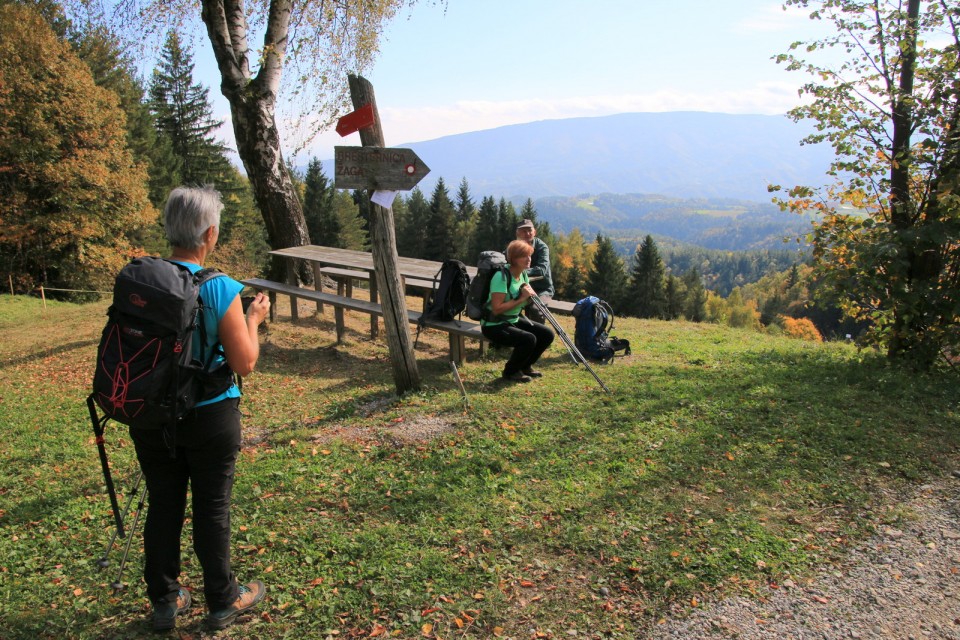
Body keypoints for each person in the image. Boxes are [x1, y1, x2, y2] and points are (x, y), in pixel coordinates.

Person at [129, 186, 270, 631]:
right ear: (209, 233)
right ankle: (222, 600)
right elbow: (244, 362)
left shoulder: (142, 281)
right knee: (211, 506)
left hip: (150, 413)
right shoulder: (221, 288)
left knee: (163, 505)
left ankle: (165, 602)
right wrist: (253, 319)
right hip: (210, 414)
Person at [481, 239, 555, 382]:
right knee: (528, 339)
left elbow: (526, 298)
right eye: (524, 256)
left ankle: (525, 366)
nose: (529, 259)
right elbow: (496, 309)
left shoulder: (523, 274)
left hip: (511, 319)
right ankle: (510, 372)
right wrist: (522, 298)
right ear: (514, 258)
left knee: (546, 334)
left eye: (529, 255)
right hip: (494, 324)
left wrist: (530, 298)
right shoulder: (501, 277)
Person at [515, 218, 554, 324]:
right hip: (521, 288)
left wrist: (519, 272)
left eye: (529, 230)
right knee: (503, 305)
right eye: (523, 231)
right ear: (517, 233)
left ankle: (539, 338)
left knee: (536, 310)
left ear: (534, 232)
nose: (527, 233)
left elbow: (541, 270)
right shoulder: (515, 247)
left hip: (541, 289)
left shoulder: (542, 248)